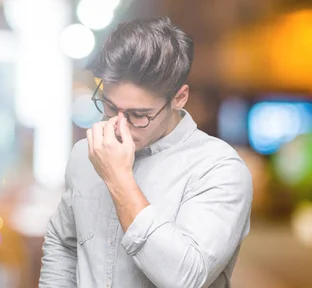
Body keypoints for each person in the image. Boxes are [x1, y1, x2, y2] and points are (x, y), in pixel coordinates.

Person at [39, 16, 252, 288]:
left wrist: (119, 180)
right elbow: (64, 243)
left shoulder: (219, 169)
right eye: (110, 107)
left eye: (138, 115)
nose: (118, 126)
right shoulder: (86, 154)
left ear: (179, 98)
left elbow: (187, 279)